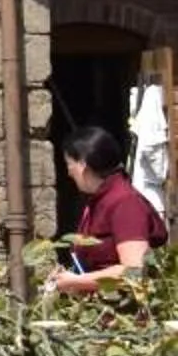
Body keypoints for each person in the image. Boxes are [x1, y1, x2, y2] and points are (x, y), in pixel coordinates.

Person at [51, 124, 167, 296]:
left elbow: (134, 271)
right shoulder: (98, 199)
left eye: (69, 164)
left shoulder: (125, 203)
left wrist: (76, 281)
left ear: (83, 165)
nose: (69, 173)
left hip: (125, 314)